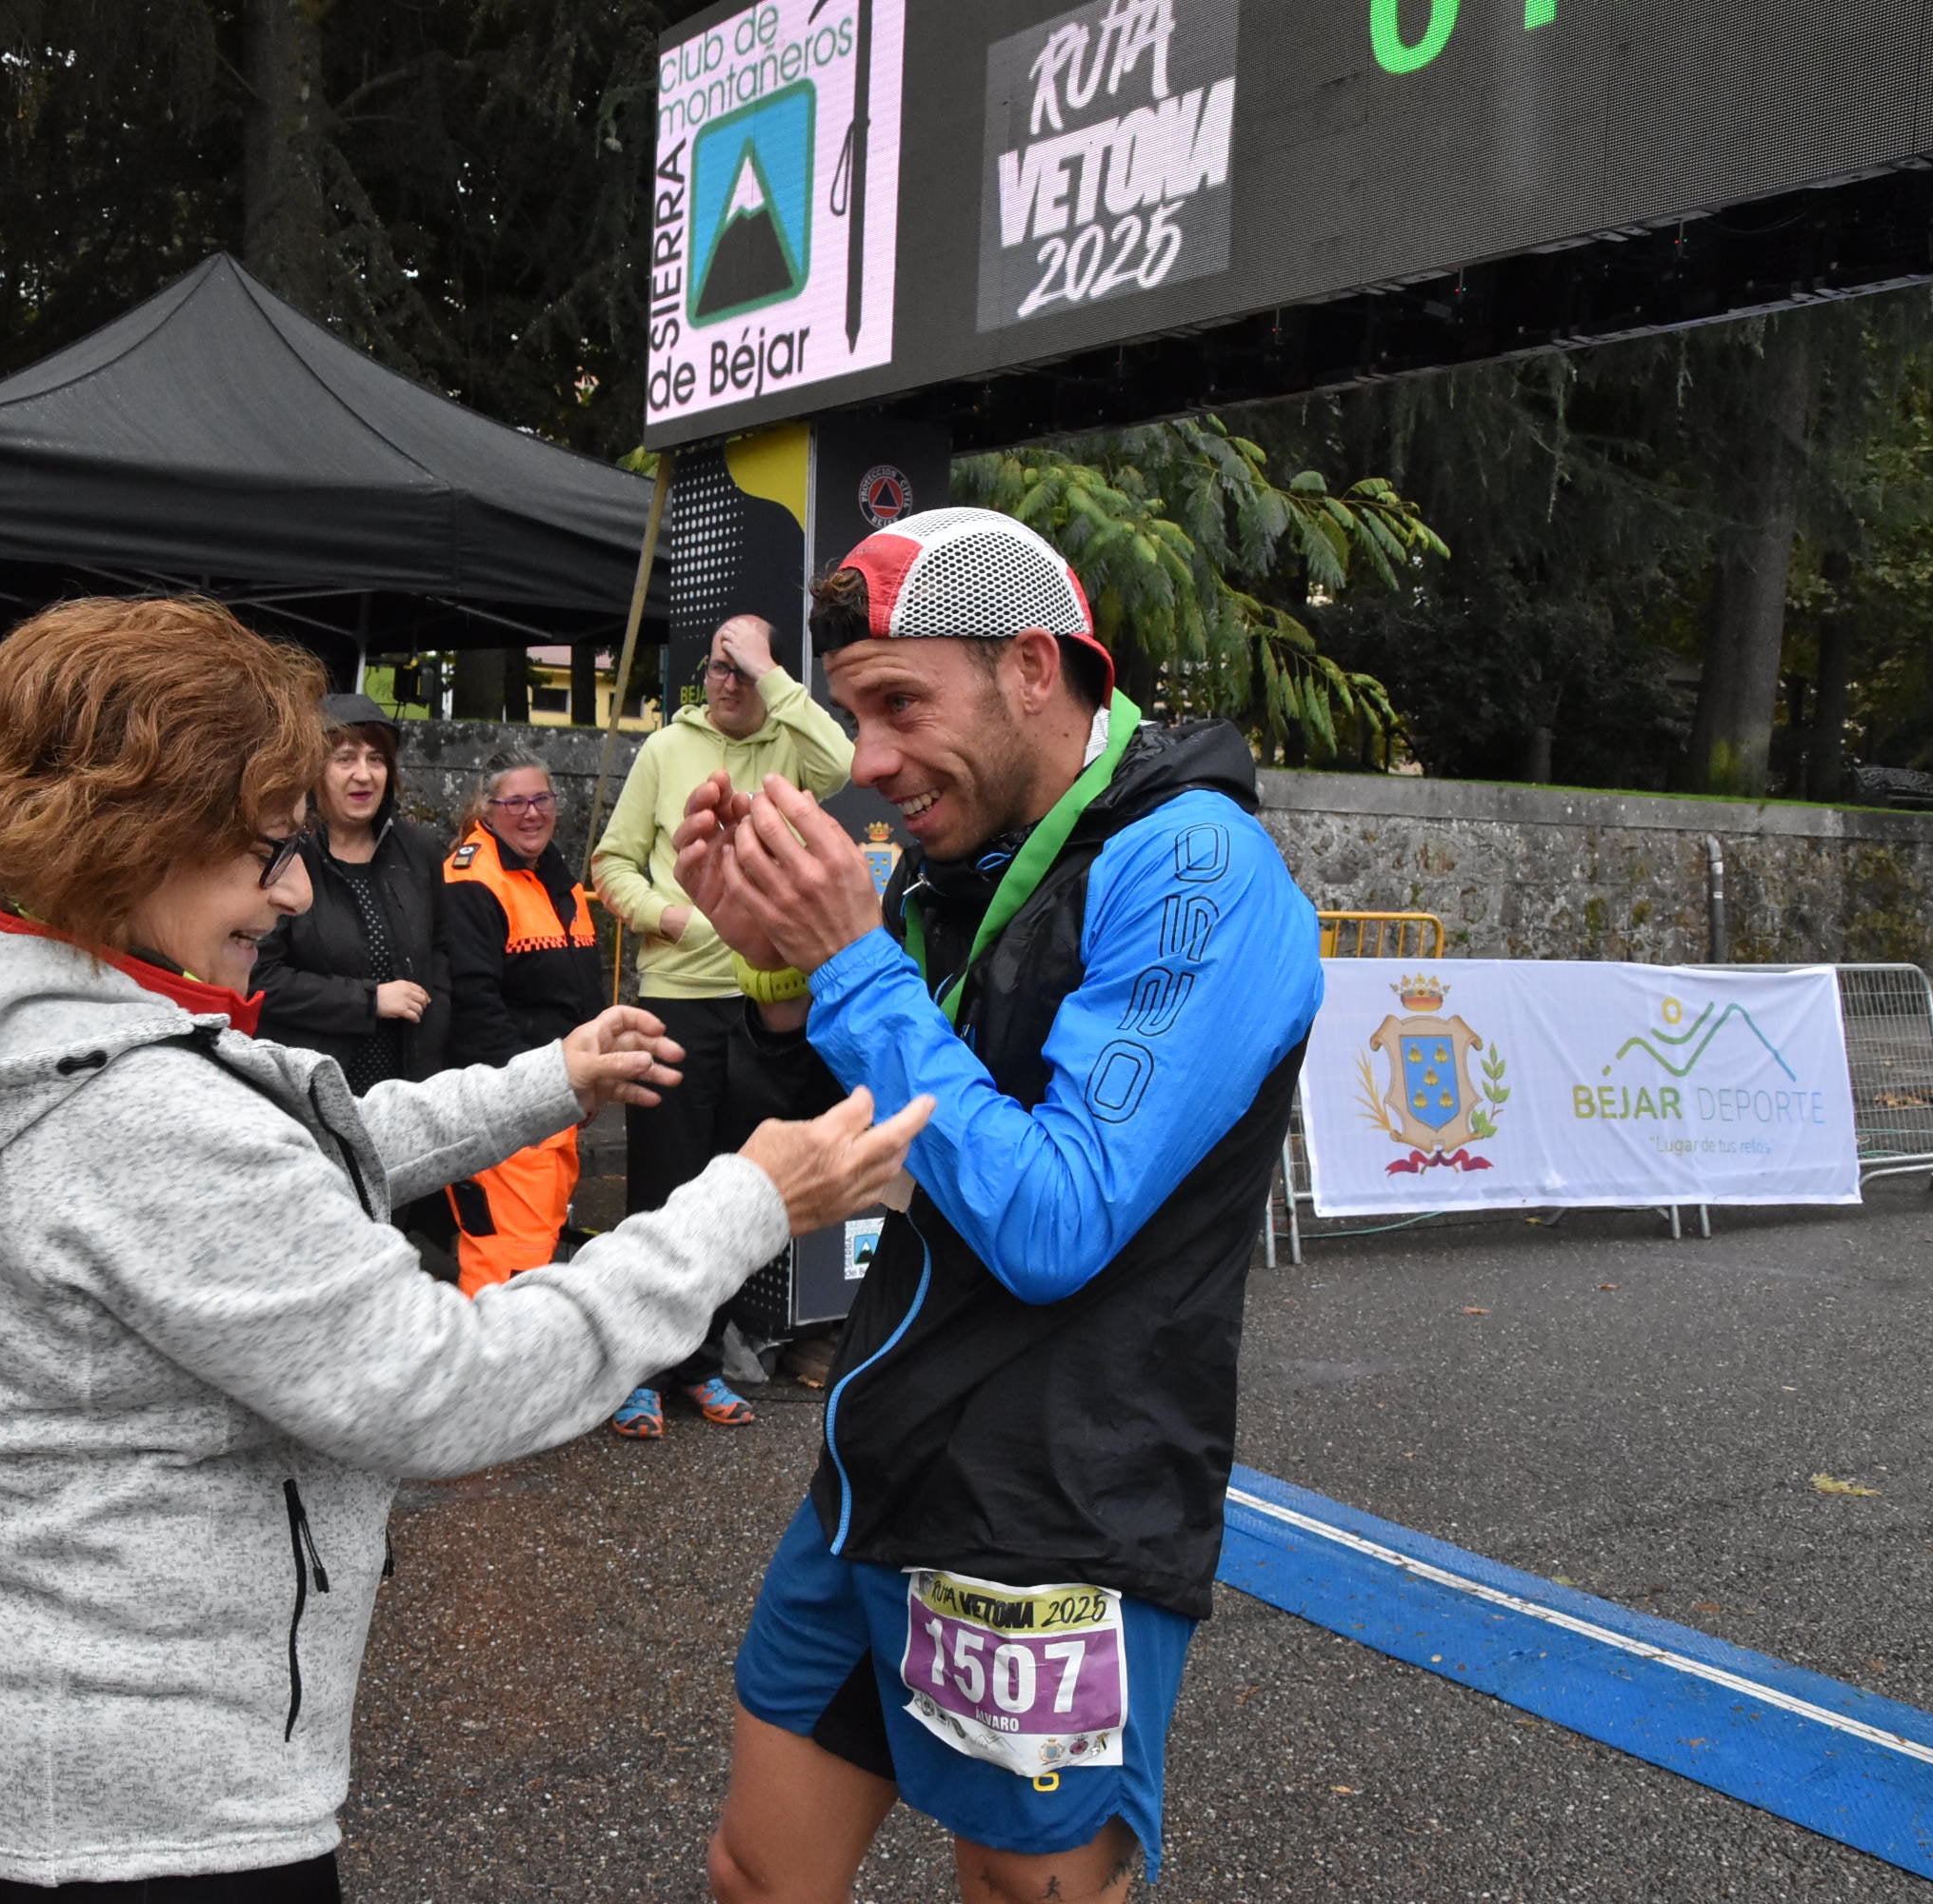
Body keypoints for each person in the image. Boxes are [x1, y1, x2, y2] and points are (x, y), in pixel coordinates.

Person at [0, 596, 929, 1904]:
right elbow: (440, 1389)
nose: (292, 890)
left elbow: (296, 1157)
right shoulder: (134, 1115)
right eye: (263, 851)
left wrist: (545, 1082)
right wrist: (746, 1203)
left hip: (54, 1734)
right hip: (160, 1804)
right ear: (132, 842)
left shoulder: (27, 1011)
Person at [672, 508, 1325, 1904]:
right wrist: (781, 968)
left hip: (1052, 1511)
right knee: (753, 1873)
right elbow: (891, 1114)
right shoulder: (957, 857)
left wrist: (850, 966)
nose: (870, 762)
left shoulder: (1197, 868)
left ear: (1036, 666)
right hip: (878, 1466)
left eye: (900, 704)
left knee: (1023, 1894)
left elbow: (1053, 1222)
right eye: (855, 715)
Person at [591, 612, 853, 1438]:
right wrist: (664, 918)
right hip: (674, 998)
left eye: (742, 668)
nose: (727, 680)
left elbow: (844, 765)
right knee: (660, 1189)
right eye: (716, 666)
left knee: (735, 1191)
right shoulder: (669, 750)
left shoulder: (790, 742)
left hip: (762, 1001)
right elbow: (611, 862)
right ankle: (638, 1370)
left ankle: (700, 1362)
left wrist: (773, 676)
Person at [252, 694, 456, 1275]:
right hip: (319, 1096)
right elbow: (261, 978)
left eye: (375, 758)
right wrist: (370, 1000)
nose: (362, 774)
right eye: (343, 758)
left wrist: (435, 1033)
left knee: (394, 1246)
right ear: (314, 770)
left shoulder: (418, 851)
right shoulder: (286, 855)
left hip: (407, 1085)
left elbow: (440, 952)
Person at [439, 747, 605, 1296]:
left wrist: (589, 1080)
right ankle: (497, 1376)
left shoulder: (553, 875)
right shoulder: (474, 879)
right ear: (486, 809)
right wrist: (528, 1097)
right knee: (506, 1263)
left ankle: (526, 1371)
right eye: (515, 802)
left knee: (537, 1249)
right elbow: (473, 1004)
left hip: (557, 1100)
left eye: (542, 799)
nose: (531, 813)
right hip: (508, 1105)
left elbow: (582, 988)